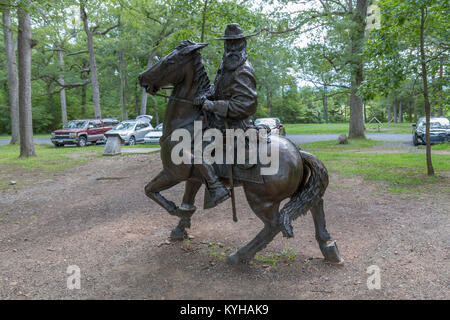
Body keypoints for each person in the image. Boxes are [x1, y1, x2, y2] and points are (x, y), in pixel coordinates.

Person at [193, 23, 258, 208]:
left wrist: (213, 105)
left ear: (242, 43)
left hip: (236, 124)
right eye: (228, 43)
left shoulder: (243, 69)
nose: (231, 47)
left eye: (235, 43)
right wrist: (205, 96)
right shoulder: (226, 64)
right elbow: (217, 87)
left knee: (198, 152)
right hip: (220, 121)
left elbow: (246, 105)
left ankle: (218, 189)